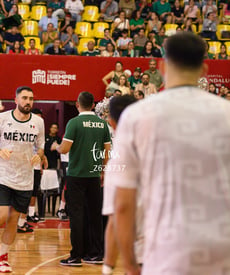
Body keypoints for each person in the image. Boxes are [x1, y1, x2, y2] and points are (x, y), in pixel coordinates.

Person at [110, 32, 230, 275]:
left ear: (163, 67)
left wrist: (131, 264)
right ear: (204, 70)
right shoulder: (227, 113)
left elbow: (122, 204)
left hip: (166, 251)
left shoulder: (136, 116)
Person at [0, 86, 45, 272]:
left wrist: (39, 155)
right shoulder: (2, 119)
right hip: (2, 174)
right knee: (1, 216)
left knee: (13, 220)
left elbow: (40, 146)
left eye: (31, 99)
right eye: (25, 98)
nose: (28, 102)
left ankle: (3, 257)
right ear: (16, 99)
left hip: (25, 177)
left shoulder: (38, 122)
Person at [55, 91, 111, 266]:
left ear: (77, 104)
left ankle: (76, 256)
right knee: (95, 215)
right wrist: (102, 171)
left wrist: (56, 146)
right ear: (93, 105)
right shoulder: (102, 124)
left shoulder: (74, 123)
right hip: (94, 176)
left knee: (77, 215)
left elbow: (64, 149)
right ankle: (96, 254)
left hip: (76, 175)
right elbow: (107, 152)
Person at [101, 95, 138, 275]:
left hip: (145, 257)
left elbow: (118, 214)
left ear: (111, 122)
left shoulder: (118, 161)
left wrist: (109, 266)